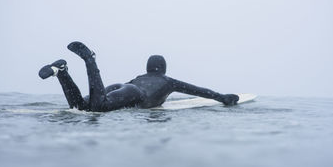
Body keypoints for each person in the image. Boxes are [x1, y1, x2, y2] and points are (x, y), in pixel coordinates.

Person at [39, 41, 239, 112]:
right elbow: (200, 91)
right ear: (163, 68)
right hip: (134, 93)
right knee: (98, 108)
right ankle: (90, 60)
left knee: (79, 108)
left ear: (148, 68)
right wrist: (223, 98)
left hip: (121, 86)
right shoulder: (168, 81)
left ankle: (62, 72)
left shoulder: (140, 76)